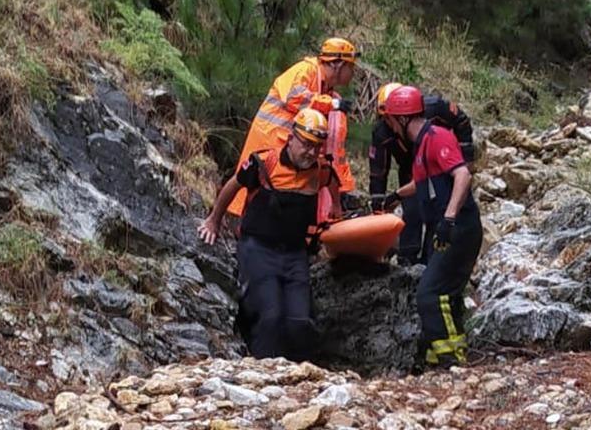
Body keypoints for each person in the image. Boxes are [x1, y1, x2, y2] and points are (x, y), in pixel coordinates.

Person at [199, 109, 339, 361]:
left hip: (295, 253)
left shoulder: (320, 171)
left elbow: (333, 184)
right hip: (258, 248)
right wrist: (213, 220)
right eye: (306, 144)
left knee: (299, 322)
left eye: (316, 147)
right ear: (291, 138)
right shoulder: (264, 163)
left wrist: (337, 211)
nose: (310, 152)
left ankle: (301, 378)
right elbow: (232, 185)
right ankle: (261, 370)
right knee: (270, 316)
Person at [380, 85, 483, 369]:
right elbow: (423, 182)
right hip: (447, 228)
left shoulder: (437, 137)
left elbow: (462, 175)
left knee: (429, 292)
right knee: (445, 292)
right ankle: (440, 356)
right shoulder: (422, 145)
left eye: (389, 120)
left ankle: (451, 360)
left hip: (458, 228)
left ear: (400, 119)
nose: (388, 127)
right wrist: (396, 195)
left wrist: (449, 218)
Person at [227, 37, 359, 217]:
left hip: (290, 145)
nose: (352, 73)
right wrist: (331, 104)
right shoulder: (306, 71)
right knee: (254, 188)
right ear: (338, 64)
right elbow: (294, 97)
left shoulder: (325, 88)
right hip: (271, 139)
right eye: (350, 67)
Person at [370, 82, 475, 265]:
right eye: (385, 119)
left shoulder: (434, 108)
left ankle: (435, 254)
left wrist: (465, 156)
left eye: (391, 119)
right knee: (412, 210)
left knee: (441, 206)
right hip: (410, 167)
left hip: (439, 161)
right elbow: (378, 171)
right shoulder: (382, 132)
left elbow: (461, 120)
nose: (389, 124)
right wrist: (379, 204)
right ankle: (408, 258)